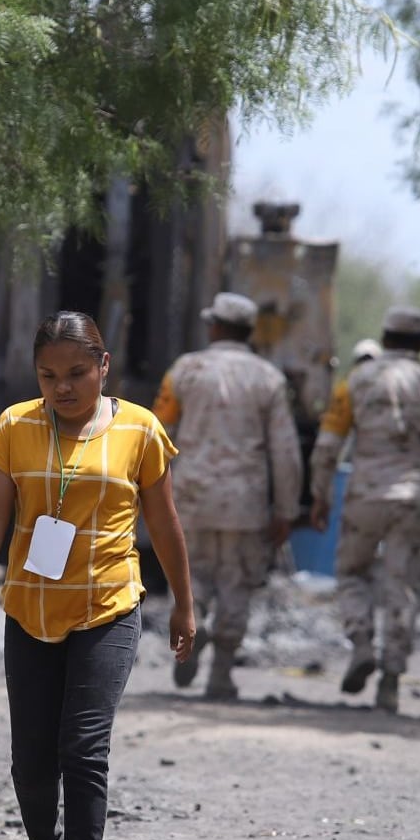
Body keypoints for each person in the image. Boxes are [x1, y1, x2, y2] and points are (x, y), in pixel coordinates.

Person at [0, 311, 196, 840]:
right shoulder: (15, 426)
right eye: (48, 375)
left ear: (103, 367)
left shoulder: (140, 429)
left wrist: (184, 605)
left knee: (84, 749)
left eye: (76, 373)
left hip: (108, 607)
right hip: (30, 610)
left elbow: (164, 522)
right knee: (32, 760)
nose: (62, 387)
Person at [308, 305, 420, 713]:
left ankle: (362, 643)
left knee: (351, 573)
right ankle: (391, 681)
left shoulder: (354, 382)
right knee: (402, 587)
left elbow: (327, 448)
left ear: (384, 339)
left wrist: (320, 496)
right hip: (413, 502)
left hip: (365, 498)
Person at [152, 292, 303, 700]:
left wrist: (144, 495)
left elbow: (156, 433)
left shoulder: (185, 370)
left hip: (191, 496)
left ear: (215, 326)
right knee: (237, 584)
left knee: (191, 576)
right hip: (245, 502)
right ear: (248, 331)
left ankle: (193, 630)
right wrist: (286, 509)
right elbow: (285, 451)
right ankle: (220, 675)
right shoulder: (269, 379)